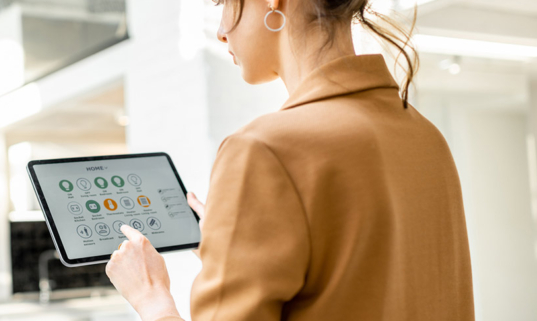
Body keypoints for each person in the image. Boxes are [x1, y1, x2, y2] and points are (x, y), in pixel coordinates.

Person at [104, 0, 475, 320]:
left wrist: (153, 301)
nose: (220, 31)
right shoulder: (426, 137)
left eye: (222, 4)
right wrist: (234, 251)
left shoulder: (263, 149)